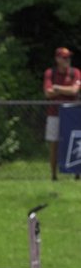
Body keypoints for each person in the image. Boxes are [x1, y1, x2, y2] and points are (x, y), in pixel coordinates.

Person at [43, 46, 81, 180]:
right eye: (64, 58)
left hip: (73, 115)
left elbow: (74, 91)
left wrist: (57, 88)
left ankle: (77, 173)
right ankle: (54, 176)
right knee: (54, 145)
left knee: (74, 143)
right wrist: (66, 90)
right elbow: (48, 93)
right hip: (54, 113)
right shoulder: (50, 73)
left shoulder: (75, 72)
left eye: (69, 57)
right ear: (57, 59)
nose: (67, 60)